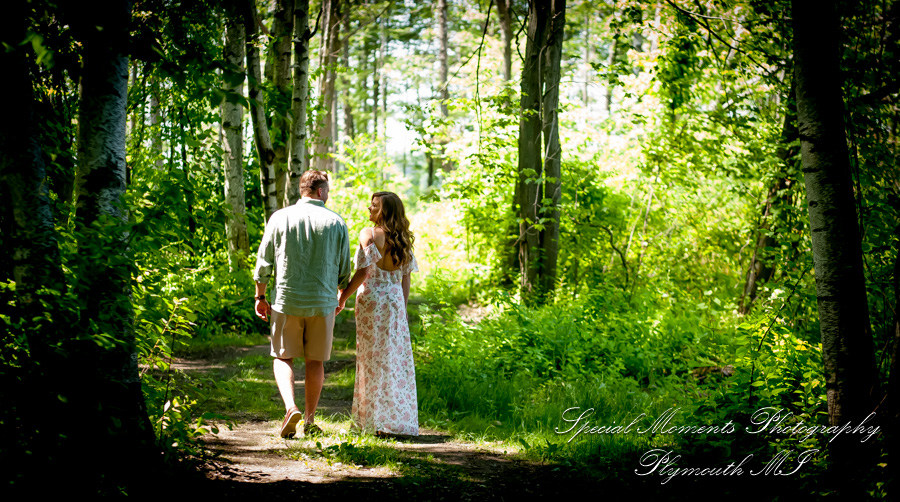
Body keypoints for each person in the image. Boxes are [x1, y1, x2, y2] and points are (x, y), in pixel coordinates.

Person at [253, 170, 352, 438]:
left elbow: (264, 262)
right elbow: (344, 268)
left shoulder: (280, 218)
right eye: (328, 190)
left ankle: (290, 408)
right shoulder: (336, 222)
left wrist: (260, 297)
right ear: (320, 191)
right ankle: (309, 420)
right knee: (315, 361)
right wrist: (341, 295)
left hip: (288, 300)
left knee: (283, 355)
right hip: (322, 302)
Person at [338, 192, 419, 437]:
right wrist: (401, 310)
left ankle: (371, 421)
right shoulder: (403, 239)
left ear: (384, 211)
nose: (369, 208)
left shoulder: (369, 233)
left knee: (370, 359)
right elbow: (406, 280)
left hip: (372, 299)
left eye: (374, 206)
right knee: (393, 360)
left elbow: (363, 272)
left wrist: (342, 298)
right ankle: (394, 419)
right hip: (394, 301)